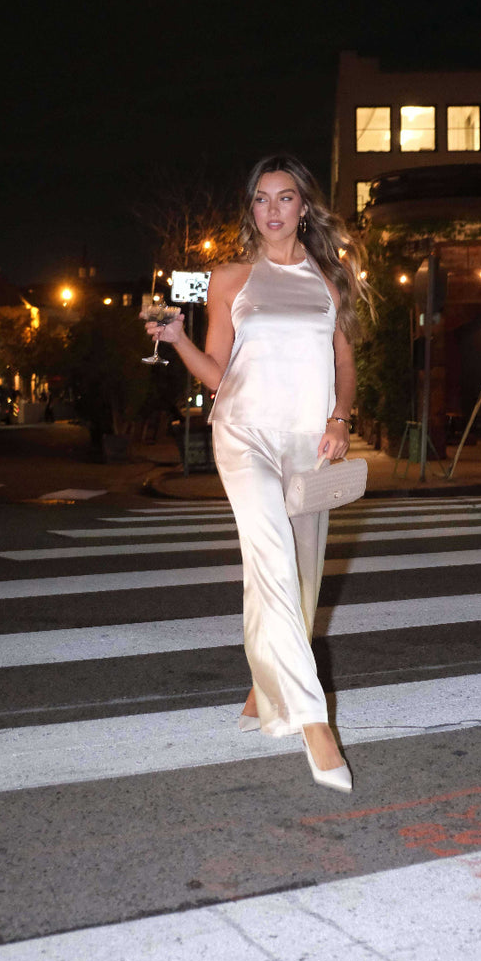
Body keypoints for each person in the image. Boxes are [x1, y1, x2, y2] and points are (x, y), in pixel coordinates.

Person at [144, 154, 370, 793]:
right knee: (269, 558)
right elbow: (219, 372)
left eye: (286, 198)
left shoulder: (331, 279)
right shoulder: (231, 279)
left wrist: (341, 418)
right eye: (262, 199)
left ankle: (260, 684)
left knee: (301, 575)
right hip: (243, 435)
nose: (273, 210)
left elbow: (344, 360)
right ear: (252, 211)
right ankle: (311, 720)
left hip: (309, 442)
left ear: (304, 207)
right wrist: (178, 339)